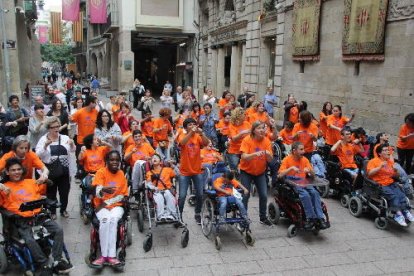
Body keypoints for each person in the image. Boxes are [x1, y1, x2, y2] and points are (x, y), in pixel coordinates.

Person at [0, 158, 73, 275]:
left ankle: (57, 261)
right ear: (7, 172)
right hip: (21, 220)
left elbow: (44, 189)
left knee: (58, 229)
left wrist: (45, 179)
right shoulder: (5, 188)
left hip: (39, 216)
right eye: (13, 170)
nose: (17, 172)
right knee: (29, 239)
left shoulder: (31, 182)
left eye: (19, 169)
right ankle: (44, 264)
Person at [90, 151, 128, 268]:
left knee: (113, 220)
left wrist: (110, 201)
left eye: (117, 160)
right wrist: (103, 190)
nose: (115, 162)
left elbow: (123, 195)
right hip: (101, 205)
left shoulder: (121, 174)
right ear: (107, 161)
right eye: (112, 160)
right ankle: (103, 255)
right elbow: (96, 190)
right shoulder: (101, 172)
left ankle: (111, 256)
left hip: (117, 205)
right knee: (105, 220)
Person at [279, 142, 329, 230]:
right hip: (292, 182)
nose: (304, 151)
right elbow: (279, 175)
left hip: (304, 181)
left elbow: (313, 175)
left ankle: (320, 218)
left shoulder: (305, 160)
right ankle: (310, 218)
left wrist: (310, 170)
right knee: (305, 195)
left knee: (315, 193)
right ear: (294, 151)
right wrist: (290, 168)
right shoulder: (287, 160)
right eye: (301, 149)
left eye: (303, 149)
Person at [36, 117, 76, 219]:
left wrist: (72, 145)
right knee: (51, 192)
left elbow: (72, 150)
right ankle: (52, 211)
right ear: (48, 128)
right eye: (53, 127)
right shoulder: (43, 139)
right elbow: (37, 155)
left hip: (64, 170)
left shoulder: (65, 138)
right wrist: (45, 146)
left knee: (64, 192)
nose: (56, 129)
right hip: (51, 171)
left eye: (57, 126)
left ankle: (63, 209)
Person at [367, 144, 414, 226]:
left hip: (390, 182)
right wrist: (379, 167)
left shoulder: (389, 162)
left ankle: (405, 211)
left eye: (387, 150)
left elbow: (396, 176)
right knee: (394, 196)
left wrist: (396, 171)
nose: (387, 152)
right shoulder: (373, 161)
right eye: (384, 150)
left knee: (401, 194)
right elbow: (369, 174)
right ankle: (397, 214)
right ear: (379, 153)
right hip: (380, 184)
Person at [239, 121, 273, 226]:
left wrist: (268, 154)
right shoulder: (247, 140)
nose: (262, 130)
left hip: (260, 172)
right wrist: (254, 154)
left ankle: (263, 217)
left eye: (263, 128)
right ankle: (243, 218)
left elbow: (270, 160)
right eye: (259, 128)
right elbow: (243, 156)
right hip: (246, 171)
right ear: (254, 130)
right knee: (246, 195)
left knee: (263, 195)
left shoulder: (267, 141)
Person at [176, 118, 210, 224]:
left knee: (200, 194)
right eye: (190, 124)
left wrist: (202, 133)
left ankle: (197, 213)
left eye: (194, 124)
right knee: (182, 196)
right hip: (184, 172)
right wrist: (191, 132)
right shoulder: (182, 135)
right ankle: (179, 215)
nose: (193, 126)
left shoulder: (197, 137)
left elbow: (206, 143)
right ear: (186, 127)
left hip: (197, 171)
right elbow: (182, 142)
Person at [70, 96, 99, 174]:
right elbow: (71, 120)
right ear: (90, 103)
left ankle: (89, 172)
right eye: (95, 103)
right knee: (80, 159)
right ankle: (79, 173)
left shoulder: (96, 111)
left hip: (92, 140)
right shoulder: (80, 112)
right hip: (81, 140)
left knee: (90, 157)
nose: (96, 104)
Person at [145, 154, 177, 221]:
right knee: (159, 198)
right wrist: (153, 187)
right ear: (151, 162)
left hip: (168, 189)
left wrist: (172, 165)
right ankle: (161, 216)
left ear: (160, 162)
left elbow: (178, 174)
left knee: (169, 195)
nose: (154, 159)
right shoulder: (149, 173)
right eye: (153, 158)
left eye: (156, 158)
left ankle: (171, 215)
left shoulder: (167, 169)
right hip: (157, 191)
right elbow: (148, 183)